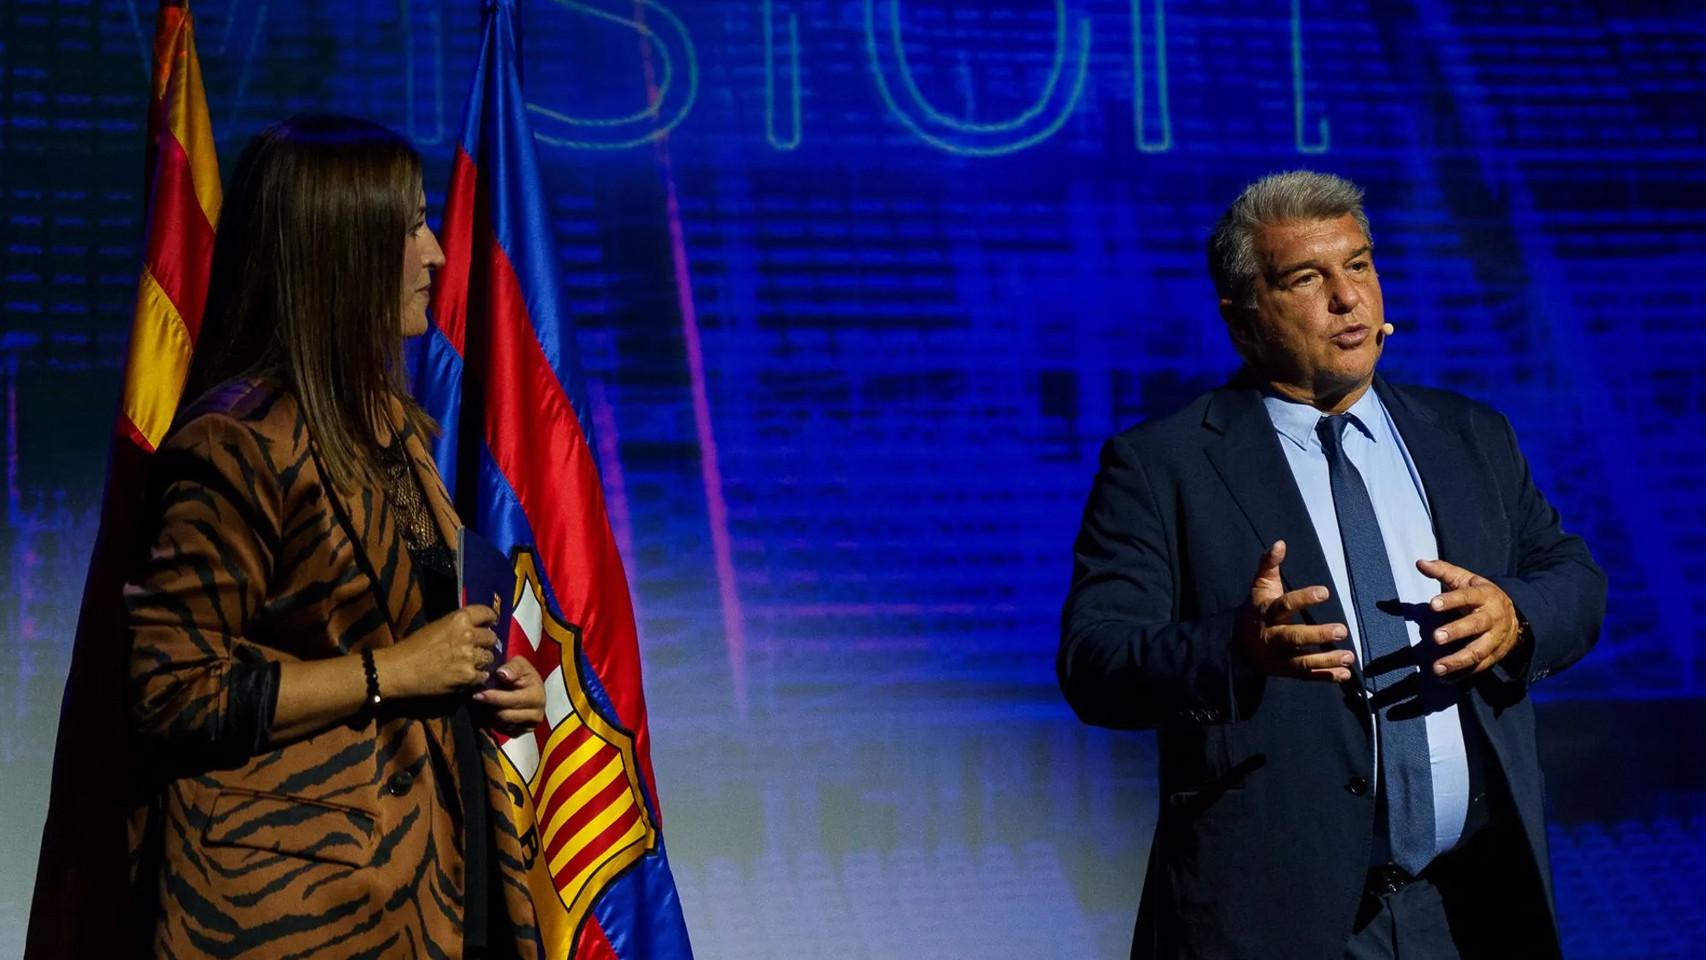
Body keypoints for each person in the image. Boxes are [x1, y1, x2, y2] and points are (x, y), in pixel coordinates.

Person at [1058, 171, 1605, 958]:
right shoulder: (1161, 466)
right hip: (1278, 922)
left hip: (1471, 908)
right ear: (1242, 320)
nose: (1348, 298)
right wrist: (1236, 649)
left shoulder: (1469, 435)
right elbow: (1095, 661)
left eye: (1359, 264)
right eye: (1307, 278)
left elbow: (1576, 579)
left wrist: (1517, 616)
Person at [113, 115, 544, 956]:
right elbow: (168, 692)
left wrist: (495, 683)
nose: (437, 254)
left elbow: (416, 627)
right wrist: (398, 671)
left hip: (438, 876)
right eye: (410, 227)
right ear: (337, 253)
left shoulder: (392, 428)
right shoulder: (237, 445)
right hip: (306, 911)